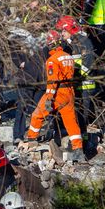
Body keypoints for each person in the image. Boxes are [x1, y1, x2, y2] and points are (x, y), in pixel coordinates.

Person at [26, 30, 84, 161]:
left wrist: (50, 98)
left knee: (37, 115)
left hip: (57, 93)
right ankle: (78, 150)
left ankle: (31, 140)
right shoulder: (68, 57)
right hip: (69, 92)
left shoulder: (52, 60)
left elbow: (53, 81)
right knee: (71, 122)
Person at [58, 15, 98, 143]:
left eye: (63, 31)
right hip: (76, 84)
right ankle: (77, 136)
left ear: (70, 29)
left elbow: (88, 62)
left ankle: (83, 139)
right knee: (75, 111)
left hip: (84, 84)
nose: (62, 33)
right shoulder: (70, 44)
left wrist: (79, 78)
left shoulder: (83, 42)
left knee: (82, 112)